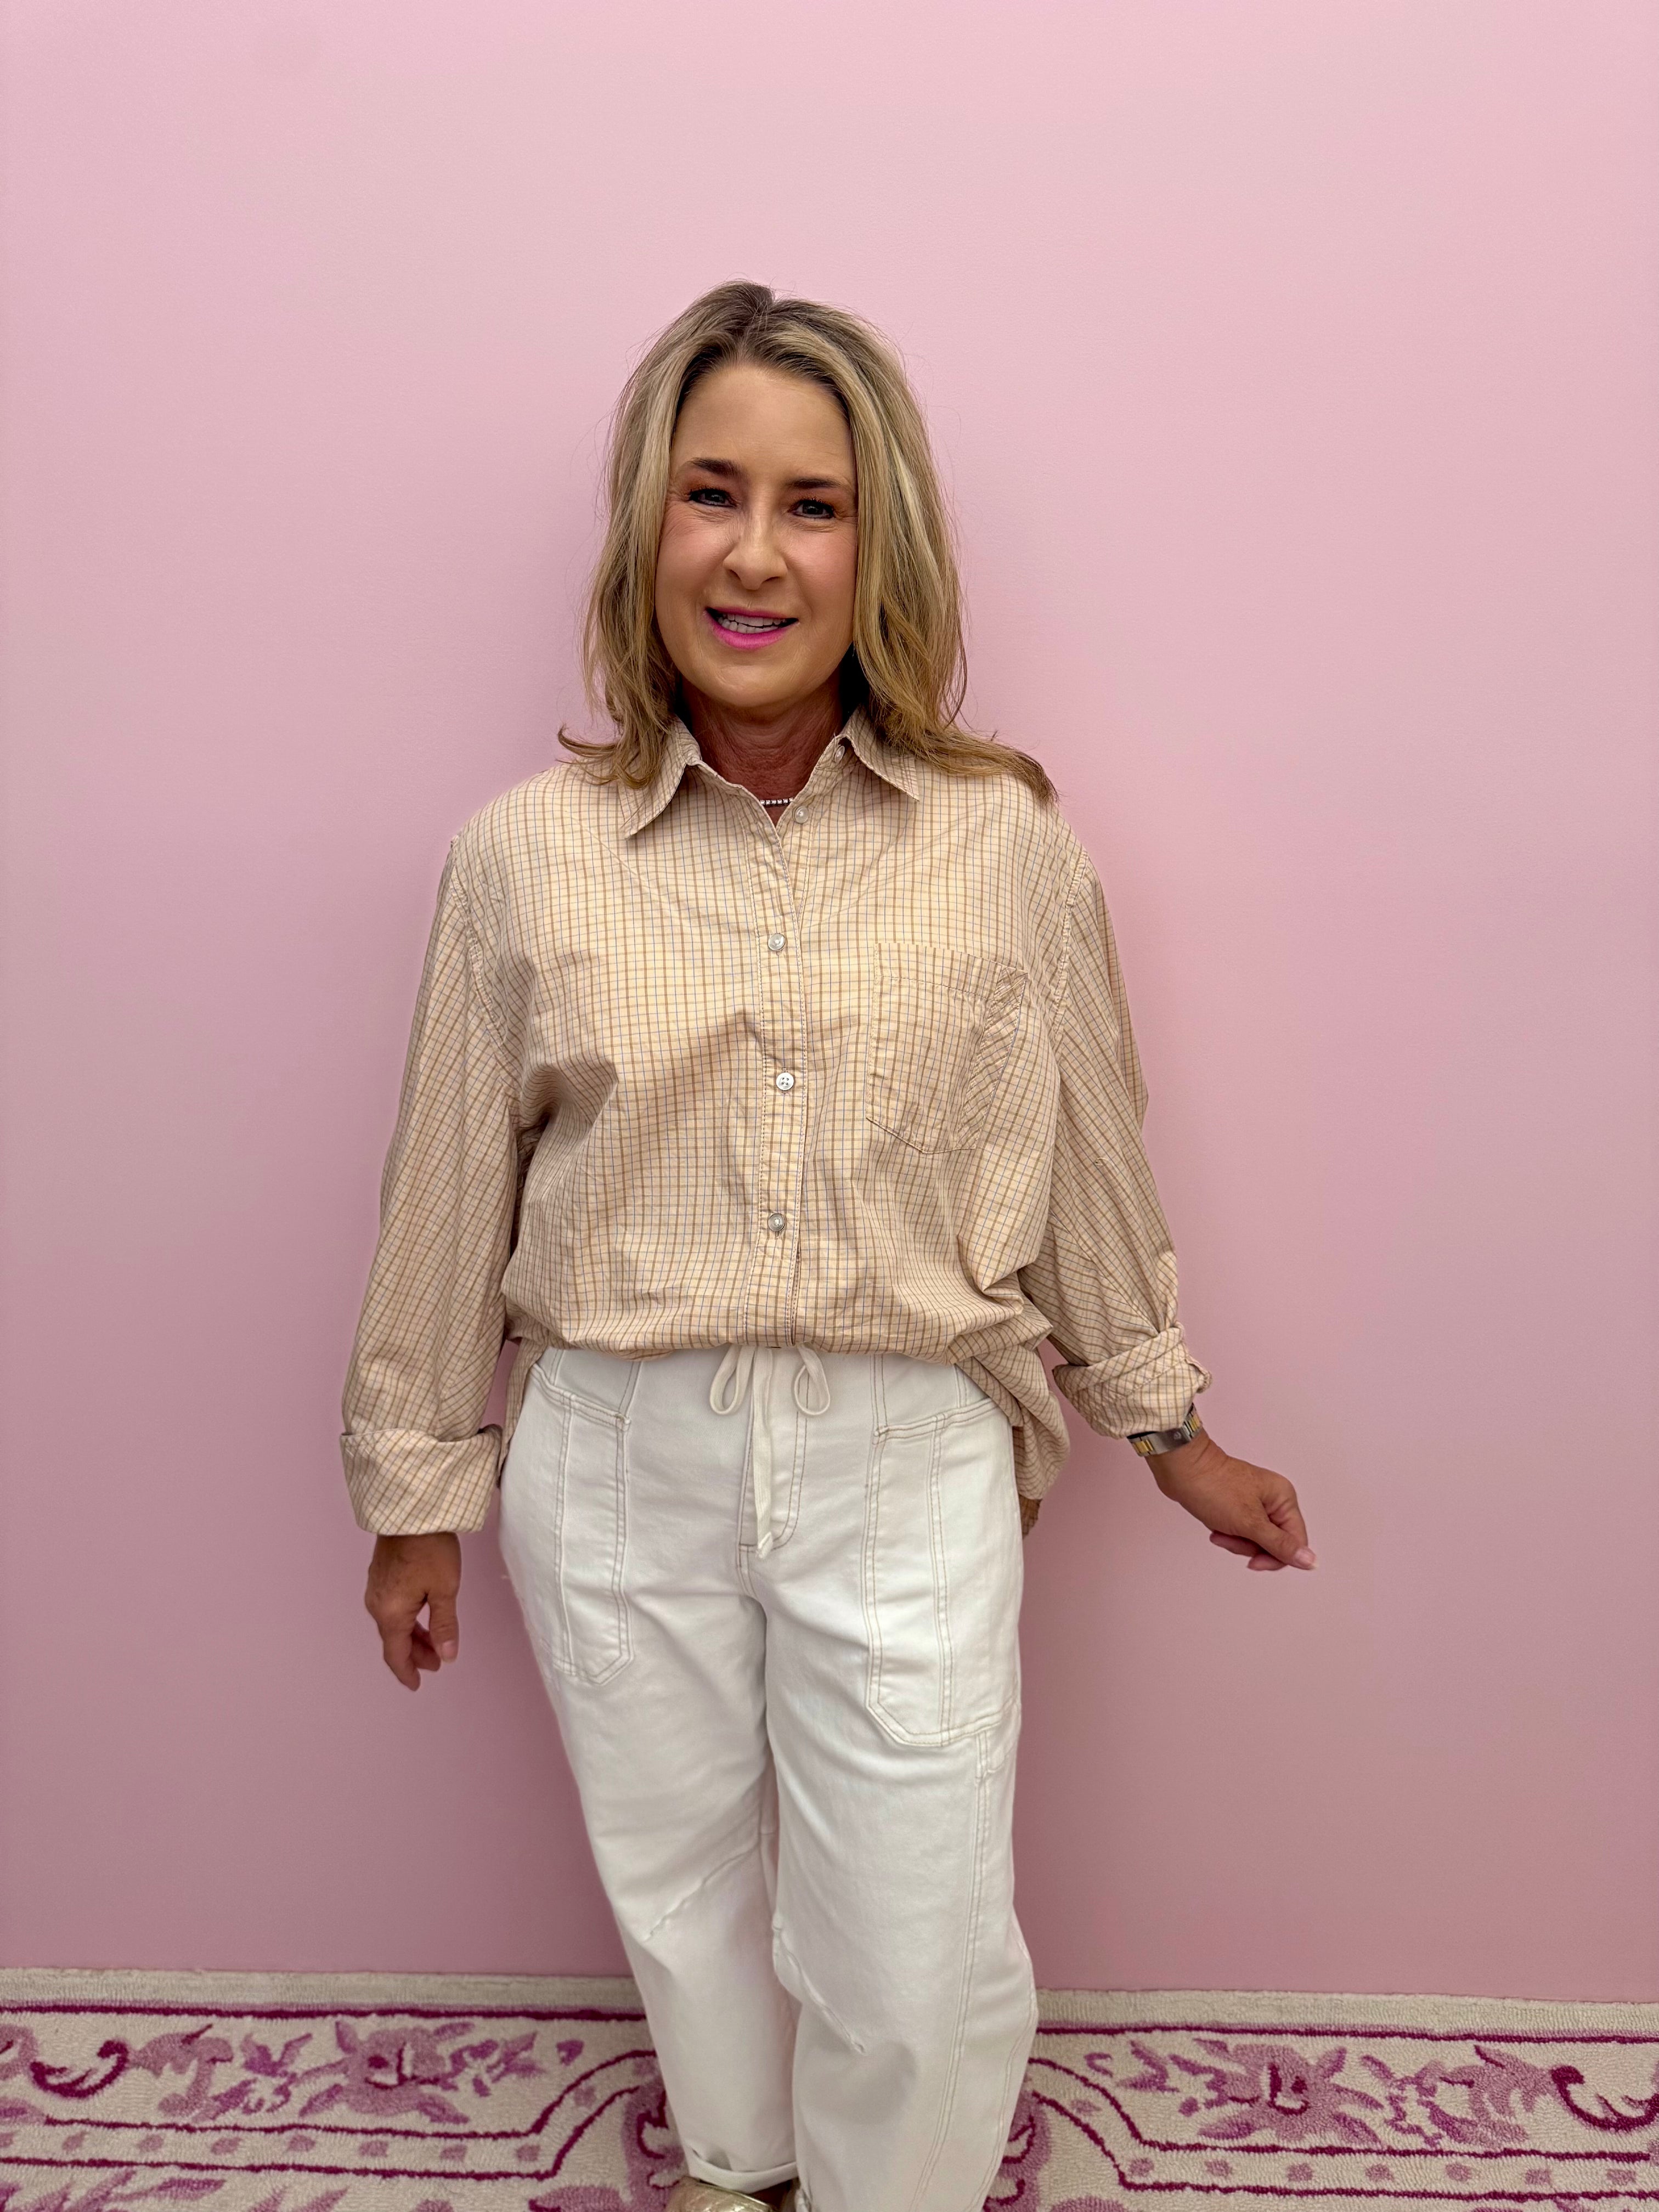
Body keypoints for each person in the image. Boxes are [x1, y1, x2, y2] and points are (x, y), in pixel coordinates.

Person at [340, 280, 1314, 2212]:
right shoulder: (524, 856)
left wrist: (1170, 1428)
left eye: (815, 504)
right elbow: (448, 1186)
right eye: (713, 493)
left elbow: (1084, 1157)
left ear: (885, 547)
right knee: (682, 1882)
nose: (755, 554)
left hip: (905, 1449)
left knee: (915, 1927)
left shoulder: (1004, 844)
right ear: (648, 526)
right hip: (615, 1445)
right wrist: (416, 1497)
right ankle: (739, 2166)